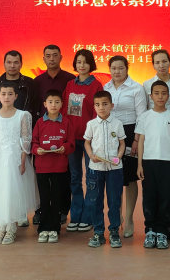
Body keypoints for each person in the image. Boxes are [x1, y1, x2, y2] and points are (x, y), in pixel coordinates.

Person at [0, 82, 38, 245]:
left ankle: (11, 228)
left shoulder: (23, 115)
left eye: (10, 94)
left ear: (16, 96)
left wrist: (23, 161)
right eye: (3, 94)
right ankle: (0, 227)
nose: (7, 97)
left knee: (12, 191)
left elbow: (26, 140)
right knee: (0, 192)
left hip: (15, 159)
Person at [142, 49, 170, 240]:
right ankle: (152, 227)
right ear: (153, 65)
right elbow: (145, 112)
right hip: (152, 141)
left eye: (164, 61)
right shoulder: (146, 85)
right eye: (157, 62)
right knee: (151, 190)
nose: (161, 65)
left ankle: (169, 226)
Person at [103, 55, 147, 238]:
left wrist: (136, 140)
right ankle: (117, 214)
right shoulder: (105, 88)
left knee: (130, 178)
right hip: (110, 133)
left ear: (127, 68)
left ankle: (129, 218)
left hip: (130, 133)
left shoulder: (136, 88)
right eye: (113, 68)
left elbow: (142, 116)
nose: (117, 71)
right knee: (114, 176)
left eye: (120, 68)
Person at [32, 45, 75, 225]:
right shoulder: (37, 81)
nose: (51, 59)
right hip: (43, 131)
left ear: (61, 57)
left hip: (63, 131)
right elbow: (35, 106)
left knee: (64, 176)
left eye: (55, 55)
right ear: (43, 59)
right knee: (40, 178)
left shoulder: (70, 79)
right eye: (48, 56)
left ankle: (62, 210)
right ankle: (40, 210)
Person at [136, 80, 170, 250]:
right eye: (156, 93)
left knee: (165, 198)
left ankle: (162, 231)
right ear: (151, 96)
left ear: (168, 96)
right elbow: (141, 141)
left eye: (163, 93)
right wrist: (140, 165)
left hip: (167, 163)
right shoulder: (145, 117)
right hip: (148, 162)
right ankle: (150, 230)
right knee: (149, 197)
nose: (160, 96)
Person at [62, 49, 103, 233]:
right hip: (72, 140)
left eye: (85, 62)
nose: (82, 65)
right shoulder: (70, 84)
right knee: (75, 178)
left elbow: (97, 113)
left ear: (91, 64)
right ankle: (75, 216)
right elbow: (64, 110)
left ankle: (88, 217)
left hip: (89, 141)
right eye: (78, 62)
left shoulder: (96, 86)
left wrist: (92, 137)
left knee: (91, 179)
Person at [31, 89, 75, 243]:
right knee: (44, 198)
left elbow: (71, 143)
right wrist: (37, 150)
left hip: (59, 167)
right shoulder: (39, 123)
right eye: (50, 102)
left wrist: (65, 148)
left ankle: (55, 228)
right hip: (42, 167)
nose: (53, 105)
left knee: (56, 198)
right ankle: (43, 228)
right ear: (45, 104)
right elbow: (33, 142)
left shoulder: (66, 122)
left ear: (62, 104)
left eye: (57, 102)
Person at [84, 91, 126, 248]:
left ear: (112, 105)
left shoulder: (117, 124)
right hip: (95, 168)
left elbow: (122, 143)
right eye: (97, 104)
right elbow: (87, 142)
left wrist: (118, 158)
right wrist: (90, 155)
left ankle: (114, 232)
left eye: (105, 104)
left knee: (114, 201)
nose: (101, 107)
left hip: (114, 169)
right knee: (95, 201)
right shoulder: (91, 124)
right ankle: (98, 232)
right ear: (94, 107)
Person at [0, 50, 38, 121]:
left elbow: (36, 108)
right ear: (4, 64)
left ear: (21, 64)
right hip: (1, 125)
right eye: (9, 62)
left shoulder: (30, 83)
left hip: (25, 124)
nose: (12, 66)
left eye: (16, 62)